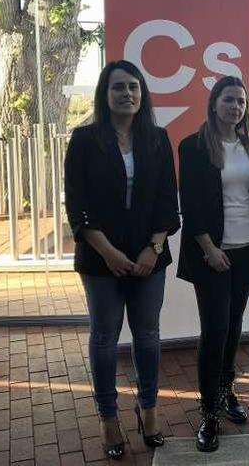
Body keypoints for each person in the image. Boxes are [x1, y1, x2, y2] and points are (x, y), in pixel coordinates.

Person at [64, 60, 179, 459]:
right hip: (101, 261)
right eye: (118, 88)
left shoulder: (158, 139)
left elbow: (168, 201)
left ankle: (148, 410)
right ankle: (108, 418)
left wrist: (154, 248)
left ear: (142, 93)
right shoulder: (83, 140)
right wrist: (110, 253)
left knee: (148, 337)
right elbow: (77, 207)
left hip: (150, 259)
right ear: (105, 94)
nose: (126, 94)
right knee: (104, 338)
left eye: (133, 87)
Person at [177, 76, 249, 452]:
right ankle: (208, 413)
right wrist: (209, 247)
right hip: (213, 254)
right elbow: (193, 203)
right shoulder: (194, 147)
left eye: (241, 102)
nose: (236, 107)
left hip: (246, 250)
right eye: (229, 100)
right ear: (214, 103)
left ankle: (226, 388)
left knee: (233, 327)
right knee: (214, 331)